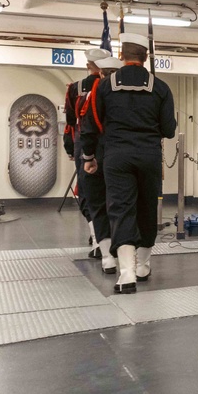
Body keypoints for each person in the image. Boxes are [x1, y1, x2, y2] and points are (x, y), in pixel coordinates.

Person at [80, 33, 176, 294]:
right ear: (145, 58)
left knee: (120, 209)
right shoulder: (160, 87)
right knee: (146, 208)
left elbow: (91, 126)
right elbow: (169, 130)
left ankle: (126, 274)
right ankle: (143, 265)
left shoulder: (105, 86)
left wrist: (89, 157)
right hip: (149, 157)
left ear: (122, 56)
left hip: (116, 157)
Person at [77, 55, 123, 274]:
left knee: (97, 205)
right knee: (124, 207)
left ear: (100, 73)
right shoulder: (128, 97)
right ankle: (134, 262)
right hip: (122, 158)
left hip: (98, 157)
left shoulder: (93, 94)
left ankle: (106, 256)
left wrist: (87, 157)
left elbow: (85, 129)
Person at [64, 47, 109, 253]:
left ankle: (98, 240)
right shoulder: (111, 87)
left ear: (88, 65)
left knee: (89, 193)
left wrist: (71, 147)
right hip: (110, 144)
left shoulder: (75, 88)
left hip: (85, 144)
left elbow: (71, 122)